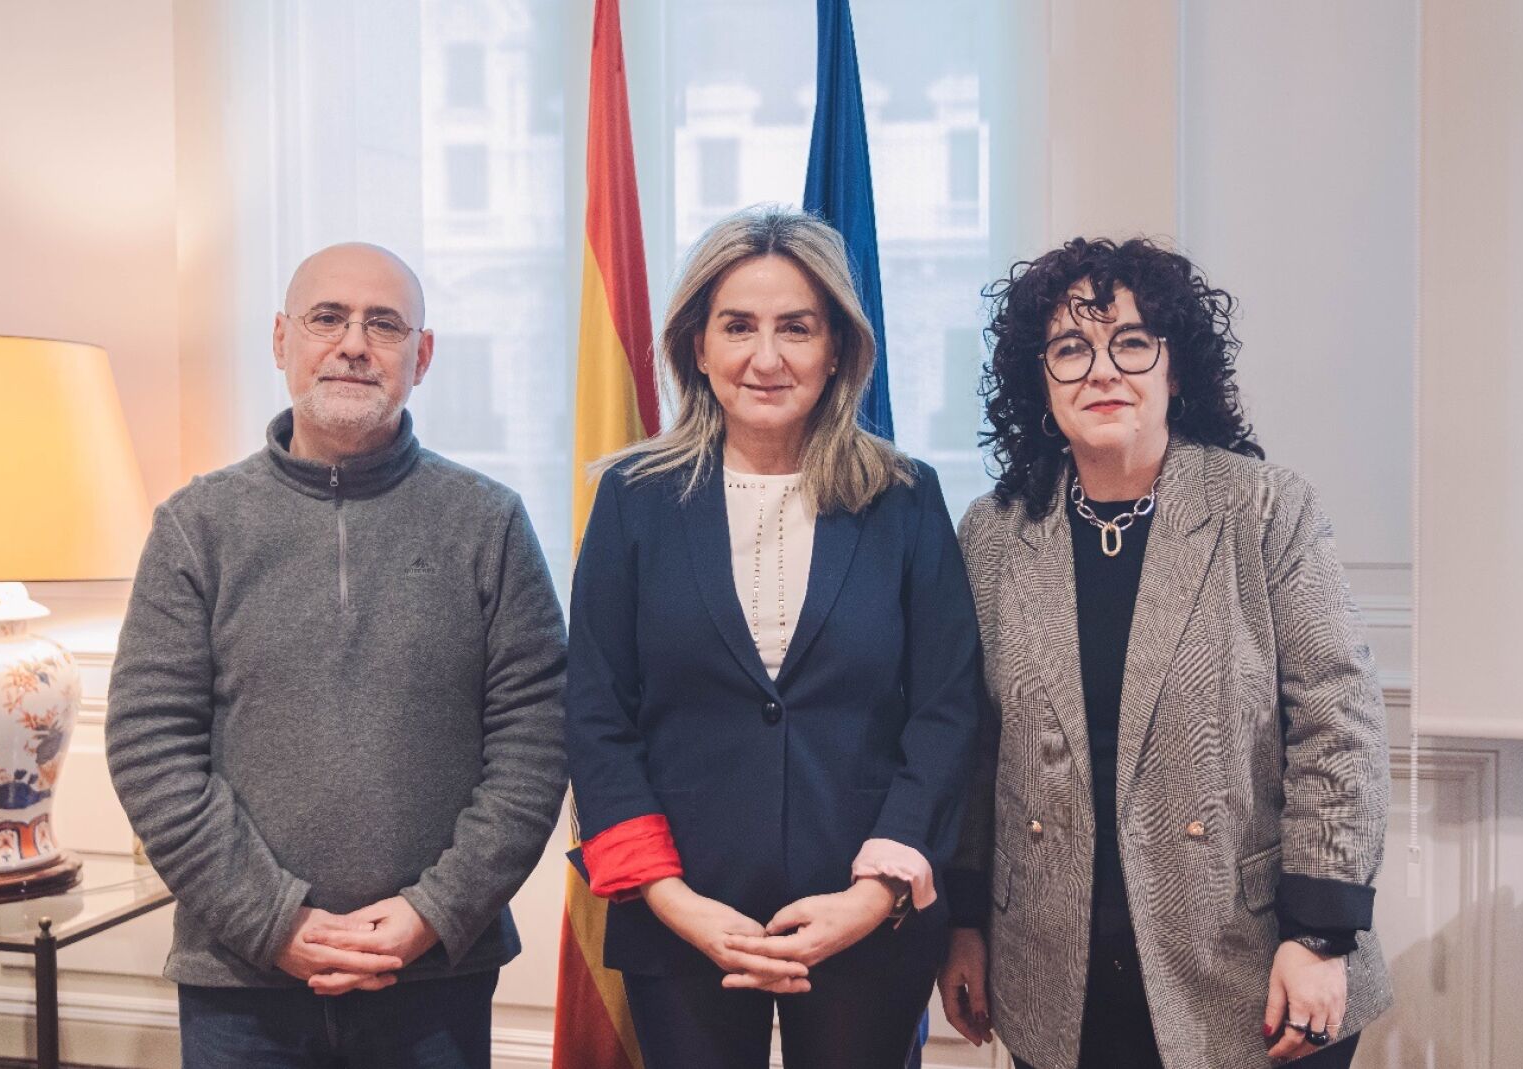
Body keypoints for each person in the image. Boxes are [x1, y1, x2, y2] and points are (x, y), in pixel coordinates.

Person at [105, 242, 567, 1069]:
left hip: (434, 978)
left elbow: (536, 743)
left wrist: (432, 910)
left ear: (422, 356)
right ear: (281, 339)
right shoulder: (195, 526)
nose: (354, 343)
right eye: (328, 318)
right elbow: (150, 747)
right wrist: (272, 920)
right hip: (240, 982)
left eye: (384, 324)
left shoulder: (489, 523)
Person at [936, 238, 1393, 1069]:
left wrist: (1320, 933)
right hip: (1056, 977)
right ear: (1040, 380)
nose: (1102, 370)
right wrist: (964, 919)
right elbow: (972, 747)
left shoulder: (1265, 510)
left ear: (1175, 369)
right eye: (1071, 348)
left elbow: (1340, 720)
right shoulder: (994, 533)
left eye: (1132, 342)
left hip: (1256, 966)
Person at [564, 205, 983, 1069]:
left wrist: (873, 894)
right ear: (697, 346)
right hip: (683, 917)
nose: (766, 356)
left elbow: (947, 709)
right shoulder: (633, 500)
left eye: (796, 327)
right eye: (738, 326)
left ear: (837, 349)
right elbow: (597, 717)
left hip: (866, 918)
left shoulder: (904, 497)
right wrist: (674, 900)